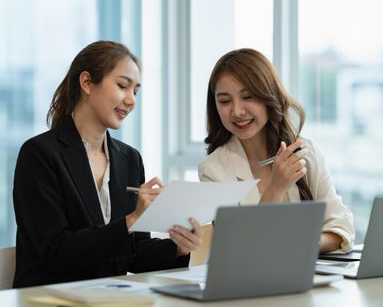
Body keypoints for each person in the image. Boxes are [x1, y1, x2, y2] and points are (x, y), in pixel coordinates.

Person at [12, 40, 202, 288]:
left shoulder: (129, 159)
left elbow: (132, 252)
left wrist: (177, 247)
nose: (131, 100)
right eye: (123, 86)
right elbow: (55, 252)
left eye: (136, 91)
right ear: (87, 83)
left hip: (108, 298)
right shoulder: (39, 155)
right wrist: (131, 220)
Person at [198, 48, 355, 253]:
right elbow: (242, 247)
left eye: (248, 97)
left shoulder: (305, 152)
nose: (237, 111)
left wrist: (300, 245)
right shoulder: (213, 169)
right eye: (225, 101)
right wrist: (275, 188)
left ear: (268, 96)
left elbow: (341, 227)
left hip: (312, 274)